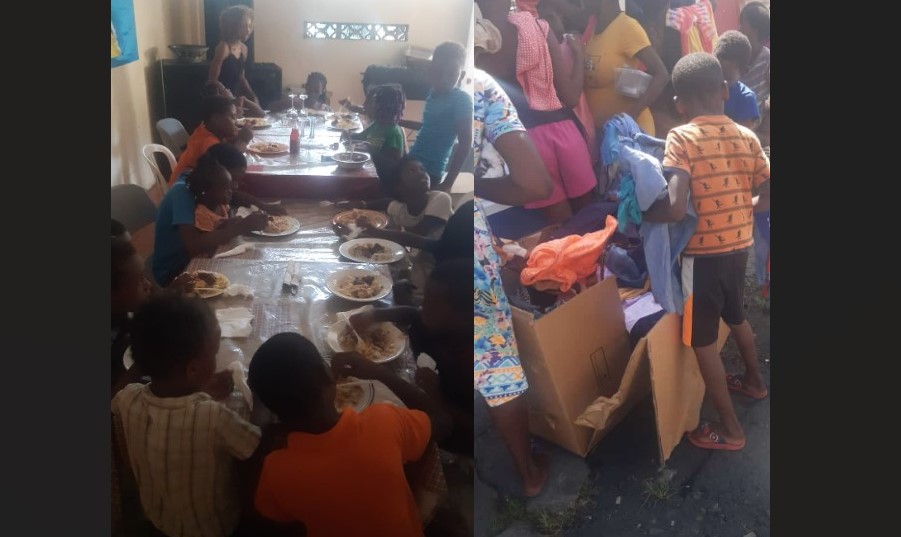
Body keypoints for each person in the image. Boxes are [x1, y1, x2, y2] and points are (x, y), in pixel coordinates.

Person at [642, 52, 770, 451]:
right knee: (736, 316)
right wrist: (743, 207)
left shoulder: (680, 137)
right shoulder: (748, 136)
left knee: (701, 341)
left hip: (702, 257)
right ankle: (754, 381)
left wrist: (647, 211)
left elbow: (677, 206)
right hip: (739, 247)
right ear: (725, 91)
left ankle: (730, 431)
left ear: (678, 103)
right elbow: (766, 191)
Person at [247, 333, 451, 537]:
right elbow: (442, 422)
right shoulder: (384, 421)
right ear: (326, 375)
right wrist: (379, 372)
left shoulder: (275, 471)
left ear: (272, 411)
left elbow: (273, 521)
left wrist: (261, 424)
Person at [111, 293, 261, 537]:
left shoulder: (127, 399)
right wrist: (261, 402)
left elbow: (118, 398)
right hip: (211, 529)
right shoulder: (212, 417)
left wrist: (196, 385)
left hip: (157, 519)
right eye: (213, 355)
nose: (215, 361)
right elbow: (254, 445)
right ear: (192, 369)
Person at [472, 66, 553, 497]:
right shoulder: (482, 85)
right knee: (493, 359)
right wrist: (477, 185)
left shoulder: (441, 83)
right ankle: (529, 474)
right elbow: (535, 182)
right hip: (469, 236)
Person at [476, 0, 598, 224]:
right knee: (589, 224)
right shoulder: (538, 29)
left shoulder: (476, 45)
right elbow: (571, 97)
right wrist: (578, 55)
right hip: (564, 132)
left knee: (560, 233)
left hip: (524, 145)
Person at [348, 258, 474, 457]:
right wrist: (377, 314)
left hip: (443, 420)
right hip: (420, 378)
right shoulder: (439, 320)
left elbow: (466, 427)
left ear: (464, 315)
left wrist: (435, 393)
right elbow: (414, 314)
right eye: (425, 298)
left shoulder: (468, 359)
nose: (423, 306)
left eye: (431, 303)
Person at [153, 152, 269, 285]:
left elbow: (229, 197)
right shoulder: (182, 193)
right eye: (230, 184)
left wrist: (260, 207)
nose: (234, 188)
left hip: (195, 259)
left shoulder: (200, 184)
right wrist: (241, 227)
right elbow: (194, 247)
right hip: (174, 271)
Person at [583, 0, 669, 136]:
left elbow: (661, 74)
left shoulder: (628, 27)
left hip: (629, 134)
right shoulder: (593, 27)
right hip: (604, 132)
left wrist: (629, 116)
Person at [408, 42, 473, 193]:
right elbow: (428, 126)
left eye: (451, 74)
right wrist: (398, 121)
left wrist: (447, 184)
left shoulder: (461, 100)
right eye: (438, 72)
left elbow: (465, 143)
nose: (444, 79)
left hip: (430, 170)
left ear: (461, 75)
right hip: (413, 159)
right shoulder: (433, 94)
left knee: (399, 200)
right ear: (430, 71)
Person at [169, 96, 254, 186]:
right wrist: (243, 140)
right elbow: (230, 167)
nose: (236, 122)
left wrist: (238, 137)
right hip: (186, 193)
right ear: (215, 118)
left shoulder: (205, 128)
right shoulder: (207, 143)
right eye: (232, 117)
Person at [209, 5, 258, 104]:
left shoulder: (244, 49)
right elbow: (212, 80)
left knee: (261, 114)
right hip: (218, 98)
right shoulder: (223, 47)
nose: (248, 30)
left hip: (234, 97)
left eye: (249, 26)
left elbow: (241, 78)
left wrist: (253, 96)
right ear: (233, 26)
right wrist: (225, 94)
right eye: (244, 26)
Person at [345, 84, 407, 161]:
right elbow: (360, 137)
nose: (364, 105)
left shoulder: (393, 133)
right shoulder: (376, 124)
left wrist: (369, 150)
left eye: (371, 102)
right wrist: (347, 135)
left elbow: (394, 163)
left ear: (385, 106)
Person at [714, 30, 759, 129]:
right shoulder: (704, 90)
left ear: (744, 71)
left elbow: (744, 139)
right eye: (716, 73)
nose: (720, 82)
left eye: (726, 78)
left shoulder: (746, 99)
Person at [738, 1, 770, 117]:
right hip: (733, 117)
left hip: (754, 119)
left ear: (755, 29)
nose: (739, 28)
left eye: (742, 24)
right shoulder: (736, 53)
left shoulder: (767, 59)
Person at [201, 80, 265, 118]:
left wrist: (245, 101)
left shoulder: (234, 107)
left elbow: (261, 114)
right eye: (225, 89)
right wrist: (237, 116)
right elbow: (226, 127)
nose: (229, 89)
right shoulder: (220, 113)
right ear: (219, 95)